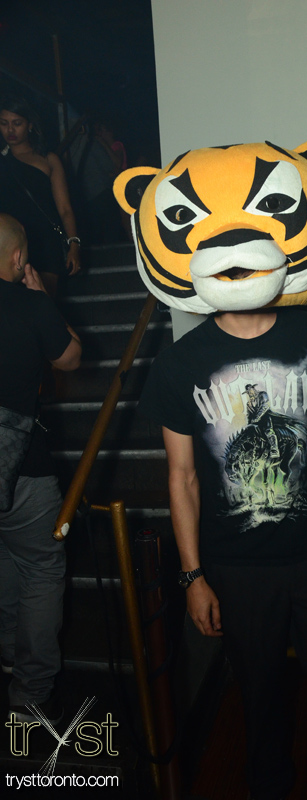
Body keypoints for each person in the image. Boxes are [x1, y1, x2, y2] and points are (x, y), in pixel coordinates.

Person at [139, 305, 307, 800]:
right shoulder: (180, 362)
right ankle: (268, 783)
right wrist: (192, 576)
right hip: (237, 567)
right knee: (258, 689)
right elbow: (182, 477)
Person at [0, 213, 81, 724]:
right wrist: (42, 299)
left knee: (5, 559)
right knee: (41, 568)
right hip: (21, 467)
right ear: (17, 258)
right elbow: (71, 358)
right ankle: (30, 694)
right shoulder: (28, 304)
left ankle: (10, 651)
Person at [0, 95, 81, 297]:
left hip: (44, 242)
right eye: (4, 123)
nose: (10, 130)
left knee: (45, 301)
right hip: (8, 243)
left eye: (17, 123)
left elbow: (65, 209)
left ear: (29, 125)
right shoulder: (3, 160)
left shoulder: (48, 160)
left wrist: (74, 244)